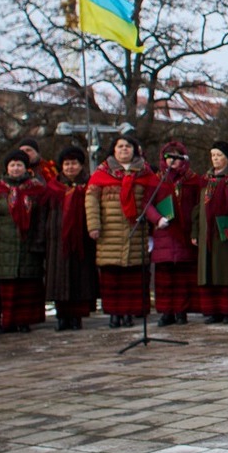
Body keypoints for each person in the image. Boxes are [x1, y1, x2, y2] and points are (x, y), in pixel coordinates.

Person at [87, 135, 159, 328]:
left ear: (134, 150)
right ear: (114, 150)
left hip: (136, 231)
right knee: (112, 277)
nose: (124, 149)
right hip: (109, 233)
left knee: (132, 278)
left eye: (128, 146)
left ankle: (129, 313)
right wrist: (94, 226)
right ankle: (114, 314)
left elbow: (154, 198)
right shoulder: (102, 173)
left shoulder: (145, 173)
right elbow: (91, 201)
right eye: (120, 146)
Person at [0, 151, 50, 333]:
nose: (16, 169)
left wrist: (40, 242)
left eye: (19, 165)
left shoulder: (36, 190)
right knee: (8, 288)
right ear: (7, 168)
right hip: (4, 247)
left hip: (29, 245)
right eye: (12, 165)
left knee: (27, 286)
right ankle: (7, 322)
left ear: (26, 168)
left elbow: (41, 218)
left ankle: (24, 321)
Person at [145, 141, 202, 326]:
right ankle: (166, 312)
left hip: (184, 233)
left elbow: (198, 204)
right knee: (164, 278)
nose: (173, 161)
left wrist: (195, 228)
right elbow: (148, 204)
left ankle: (181, 311)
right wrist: (157, 219)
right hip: (165, 233)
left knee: (183, 277)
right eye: (169, 157)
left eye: (177, 157)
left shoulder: (192, 179)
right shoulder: (156, 179)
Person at [195, 140, 228, 324]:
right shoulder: (206, 180)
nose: (215, 159)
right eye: (213, 155)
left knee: (226, 272)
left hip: (225, 233)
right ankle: (214, 311)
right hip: (207, 234)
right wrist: (195, 232)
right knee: (209, 272)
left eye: (219, 155)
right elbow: (198, 208)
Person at [47, 146, 99, 330]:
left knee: (80, 279)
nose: (70, 167)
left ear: (81, 165)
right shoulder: (53, 188)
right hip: (57, 241)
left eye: (74, 163)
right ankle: (62, 316)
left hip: (82, 239)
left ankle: (77, 316)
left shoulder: (90, 185)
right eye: (67, 164)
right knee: (59, 279)